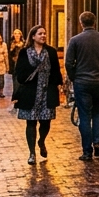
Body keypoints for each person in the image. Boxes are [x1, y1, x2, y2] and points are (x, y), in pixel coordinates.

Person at [65, 11, 99, 161]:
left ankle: (87, 151)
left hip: (82, 82)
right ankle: (98, 143)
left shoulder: (75, 41)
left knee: (84, 115)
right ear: (95, 22)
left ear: (81, 23)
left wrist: (74, 77)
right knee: (98, 112)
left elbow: (68, 63)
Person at [12, 24, 63, 165]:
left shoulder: (51, 52)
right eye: (40, 34)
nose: (43, 36)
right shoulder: (24, 52)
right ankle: (32, 153)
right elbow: (18, 73)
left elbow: (56, 71)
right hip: (30, 92)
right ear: (33, 36)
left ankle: (41, 141)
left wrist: (58, 85)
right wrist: (17, 92)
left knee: (46, 122)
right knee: (31, 123)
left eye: (44, 33)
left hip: (47, 92)